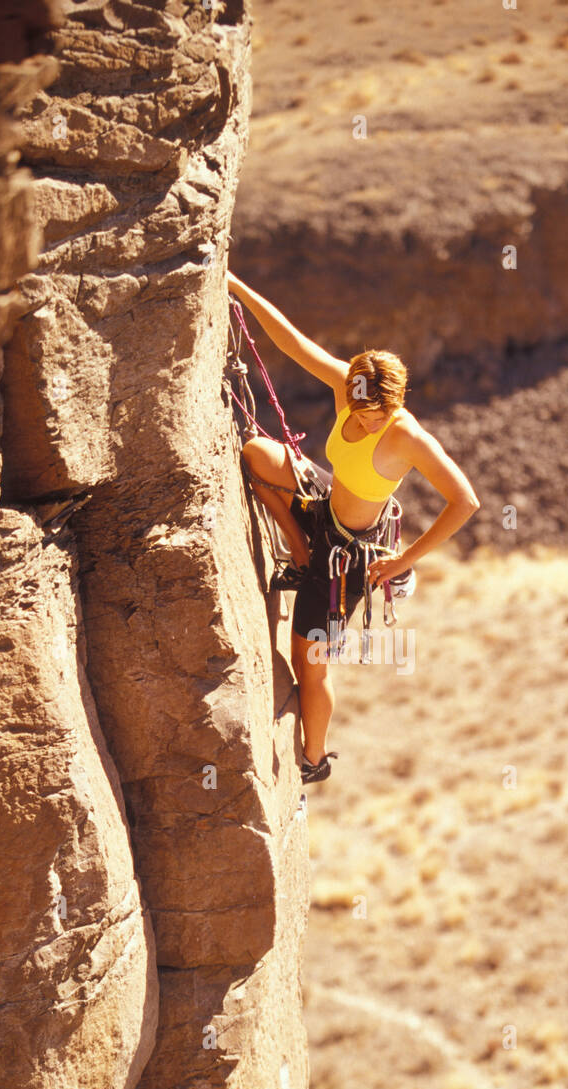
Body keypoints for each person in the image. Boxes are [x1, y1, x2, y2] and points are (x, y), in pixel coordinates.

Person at [228, 271, 480, 783]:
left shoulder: (408, 436)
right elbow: (293, 344)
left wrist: (404, 562)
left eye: (377, 415)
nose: (366, 421)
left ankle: (313, 762)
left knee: (309, 663)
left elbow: (465, 501)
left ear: (397, 401)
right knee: (257, 455)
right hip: (324, 507)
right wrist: (236, 287)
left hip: (348, 555)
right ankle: (298, 554)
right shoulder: (350, 385)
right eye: (361, 411)